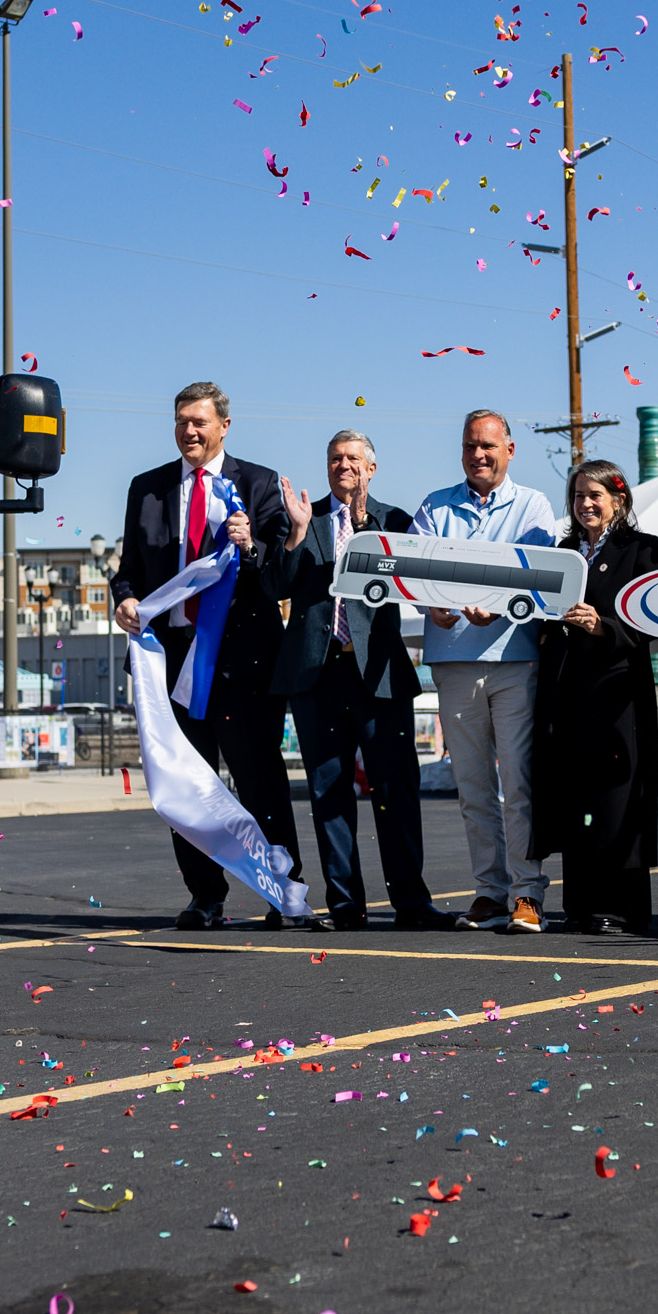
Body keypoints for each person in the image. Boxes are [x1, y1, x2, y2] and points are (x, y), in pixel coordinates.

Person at [111, 381, 305, 930]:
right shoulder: (147, 488)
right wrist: (124, 598)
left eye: (199, 422)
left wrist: (251, 545)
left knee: (260, 781)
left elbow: (276, 574)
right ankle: (205, 896)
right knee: (187, 785)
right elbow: (129, 570)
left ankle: (284, 892)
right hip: (171, 661)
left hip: (241, 664)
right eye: (181, 421)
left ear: (224, 425)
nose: (189, 431)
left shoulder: (259, 484)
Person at [267, 431, 456, 930]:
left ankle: (411, 903)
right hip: (317, 675)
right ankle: (345, 905)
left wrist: (363, 524)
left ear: (371, 468)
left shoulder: (395, 521)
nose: (343, 465)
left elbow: (418, 583)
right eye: (335, 458)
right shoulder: (301, 517)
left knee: (396, 790)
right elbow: (275, 585)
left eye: (353, 458)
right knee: (329, 795)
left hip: (379, 675)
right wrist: (295, 533)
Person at [412, 411, 561, 934]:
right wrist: (432, 605)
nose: (478, 454)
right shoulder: (434, 506)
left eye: (488, 446)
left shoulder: (533, 505)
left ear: (509, 451)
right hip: (453, 662)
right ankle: (489, 892)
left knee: (518, 785)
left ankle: (527, 893)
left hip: (513, 661)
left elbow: (537, 575)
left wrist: (498, 608)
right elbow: (417, 573)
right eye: (470, 445)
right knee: (473, 788)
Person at [531, 460, 658, 934]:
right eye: (578, 496)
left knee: (616, 797)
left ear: (619, 499)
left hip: (617, 691)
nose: (585, 504)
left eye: (595, 495)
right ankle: (582, 903)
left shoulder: (643, 549)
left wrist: (603, 626)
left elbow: (654, 618)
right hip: (568, 690)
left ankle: (622, 905)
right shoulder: (563, 552)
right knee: (577, 797)